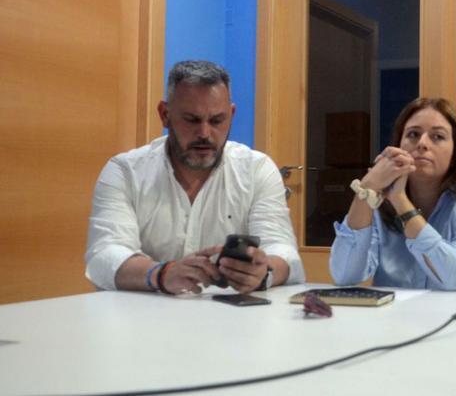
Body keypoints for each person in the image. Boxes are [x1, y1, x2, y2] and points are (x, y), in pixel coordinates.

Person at [85, 60, 305, 294]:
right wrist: (161, 274)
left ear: (231, 115)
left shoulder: (257, 169)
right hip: (140, 319)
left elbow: (286, 255)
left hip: (230, 321)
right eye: (191, 120)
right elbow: (104, 256)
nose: (204, 133)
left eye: (217, 120)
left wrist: (264, 272)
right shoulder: (124, 171)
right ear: (165, 114)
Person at [329, 97, 456, 290]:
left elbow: (453, 276)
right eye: (413, 134)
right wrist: (366, 190)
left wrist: (400, 201)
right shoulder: (379, 202)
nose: (422, 144)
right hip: (396, 317)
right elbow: (344, 275)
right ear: (398, 145)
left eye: (437, 137)